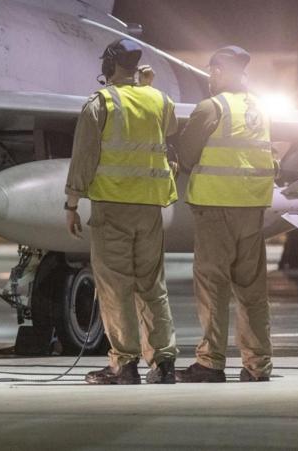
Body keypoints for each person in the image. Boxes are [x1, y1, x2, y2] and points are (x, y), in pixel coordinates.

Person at [65, 38, 180, 385]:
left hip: (113, 207)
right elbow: (168, 127)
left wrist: (71, 203)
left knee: (115, 287)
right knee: (152, 286)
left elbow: (83, 158)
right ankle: (163, 363)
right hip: (150, 208)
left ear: (109, 65)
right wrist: (145, 87)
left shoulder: (100, 104)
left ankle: (124, 364)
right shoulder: (160, 99)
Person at [174, 45, 275, 383]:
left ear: (218, 71)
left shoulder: (211, 108)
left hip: (216, 211)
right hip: (252, 212)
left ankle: (211, 362)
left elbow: (186, 156)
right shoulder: (261, 108)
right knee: (252, 291)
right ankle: (257, 365)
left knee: (213, 287)